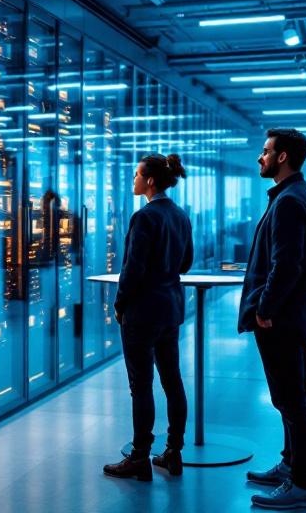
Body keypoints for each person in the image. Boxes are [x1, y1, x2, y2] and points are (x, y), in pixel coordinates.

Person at [239, 128, 306, 509]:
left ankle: (302, 483)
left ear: (283, 156)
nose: (261, 157)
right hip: (293, 317)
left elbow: (286, 265)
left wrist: (265, 309)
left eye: (266, 151)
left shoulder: (289, 201)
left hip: (281, 321)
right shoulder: (300, 195)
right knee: (298, 395)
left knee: (291, 401)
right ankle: (292, 465)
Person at [103, 153, 193, 482]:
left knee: (140, 386)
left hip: (142, 312)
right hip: (170, 309)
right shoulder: (180, 215)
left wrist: (119, 303)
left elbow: (133, 268)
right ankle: (173, 452)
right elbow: (186, 263)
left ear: (150, 181)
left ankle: (139, 458)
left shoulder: (144, 217)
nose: (134, 180)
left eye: (137, 175)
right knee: (172, 381)